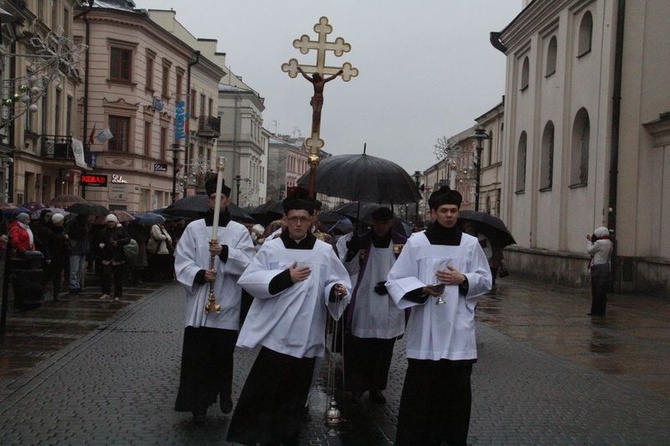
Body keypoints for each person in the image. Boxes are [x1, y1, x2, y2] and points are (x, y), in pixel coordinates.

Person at [226, 196, 351, 445]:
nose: (298, 224)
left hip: (307, 331)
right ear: (285, 220)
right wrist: (285, 278)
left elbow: (338, 280)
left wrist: (336, 289)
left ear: (311, 220)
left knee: (296, 394)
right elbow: (250, 280)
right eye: (293, 218)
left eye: (303, 219)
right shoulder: (271, 248)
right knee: (265, 389)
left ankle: (287, 435)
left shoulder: (324, 251)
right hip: (277, 332)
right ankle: (256, 435)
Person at [386, 186, 492, 446]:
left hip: (458, 332)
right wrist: (421, 289)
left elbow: (485, 280)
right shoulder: (417, 242)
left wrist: (463, 279)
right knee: (420, 398)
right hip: (426, 332)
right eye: (443, 211)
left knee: (455, 399)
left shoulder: (469, 244)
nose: (449, 216)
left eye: (453, 211)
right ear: (433, 212)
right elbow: (396, 280)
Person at [173, 178, 255, 424]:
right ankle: (198, 403)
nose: (215, 202)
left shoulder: (239, 231)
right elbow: (182, 259)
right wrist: (199, 273)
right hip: (200, 304)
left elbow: (250, 263)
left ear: (227, 200)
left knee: (222, 356)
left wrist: (226, 252)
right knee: (197, 358)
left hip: (226, 302)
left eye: (219, 198)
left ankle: (224, 393)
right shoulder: (194, 228)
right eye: (211, 198)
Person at [336, 206, 407, 404]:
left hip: (389, 303)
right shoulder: (362, 241)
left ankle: (377, 387)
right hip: (365, 300)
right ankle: (357, 386)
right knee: (360, 349)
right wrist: (350, 254)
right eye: (377, 223)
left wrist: (392, 286)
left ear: (391, 222)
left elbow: (410, 271)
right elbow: (346, 271)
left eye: (385, 223)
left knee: (383, 351)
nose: (381, 227)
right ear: (373, 222)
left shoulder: (402, 244)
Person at [296, 66, 343, 132]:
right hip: (315, 99)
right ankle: (315, 126)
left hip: (320, 99)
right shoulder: (314, 82)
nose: (315, 78)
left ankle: (317, 126)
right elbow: (305, 76)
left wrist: (338, 73)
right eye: (314, 77)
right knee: (315, 112)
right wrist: (300, 70)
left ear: (318, 77)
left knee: (318, 112)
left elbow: (332, 77)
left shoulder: (323, 81)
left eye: (315, 77)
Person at [97, 214, 131, 302]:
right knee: (106, 276)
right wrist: (103, 246)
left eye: (112, 222)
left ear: (115, 222)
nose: (110, 223)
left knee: (118, 277)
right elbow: (99, 241)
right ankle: (106, 293)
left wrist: (119, 242)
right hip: (107, 256)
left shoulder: (121, 230)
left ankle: (117, 295)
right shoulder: (103, 231)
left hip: (118, 256)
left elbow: (127, 239)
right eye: (109, 222)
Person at [587, 226, 613, 317]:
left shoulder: (599, 243)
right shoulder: (609, 243)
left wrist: (590, 241)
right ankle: (601, 311)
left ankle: (595, 311)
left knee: (596, 290)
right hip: (606, 267)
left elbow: (589, 251)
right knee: (602, 291)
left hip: (598, 267)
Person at [43, 213, 69, 301]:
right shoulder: (49, 231)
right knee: (48, 276)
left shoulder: (62, 231)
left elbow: (65, 244)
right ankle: (41, 292)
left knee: (58, 277)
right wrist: (48, 257)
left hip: (60, 256)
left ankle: (56, 294)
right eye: (61, 221)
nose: (63, 222)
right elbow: (46, 245)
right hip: (52, 256)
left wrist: (66, 239)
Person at [65, 213, 90, 295]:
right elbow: (73, 235)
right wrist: (82, 230)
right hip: (75, 248)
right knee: (74, 269)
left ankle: (77, 284)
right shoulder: (73, 224)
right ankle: (73, 285)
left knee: (80, 269)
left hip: (82, 248)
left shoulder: (85, 224)